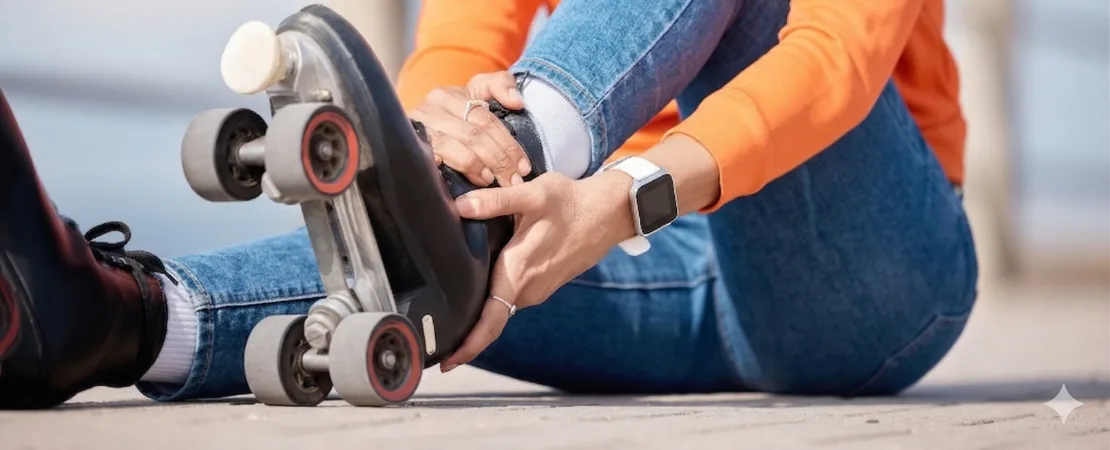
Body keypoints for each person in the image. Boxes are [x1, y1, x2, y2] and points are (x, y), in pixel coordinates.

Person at [0, 0, 977, 408]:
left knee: (456, 212)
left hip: (859, 273)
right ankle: (113, 320)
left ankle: (482, 183)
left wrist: (615, 197)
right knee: (433, 262)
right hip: (599, 245)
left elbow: (834, 62)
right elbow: (463, 44)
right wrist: (451, 118)